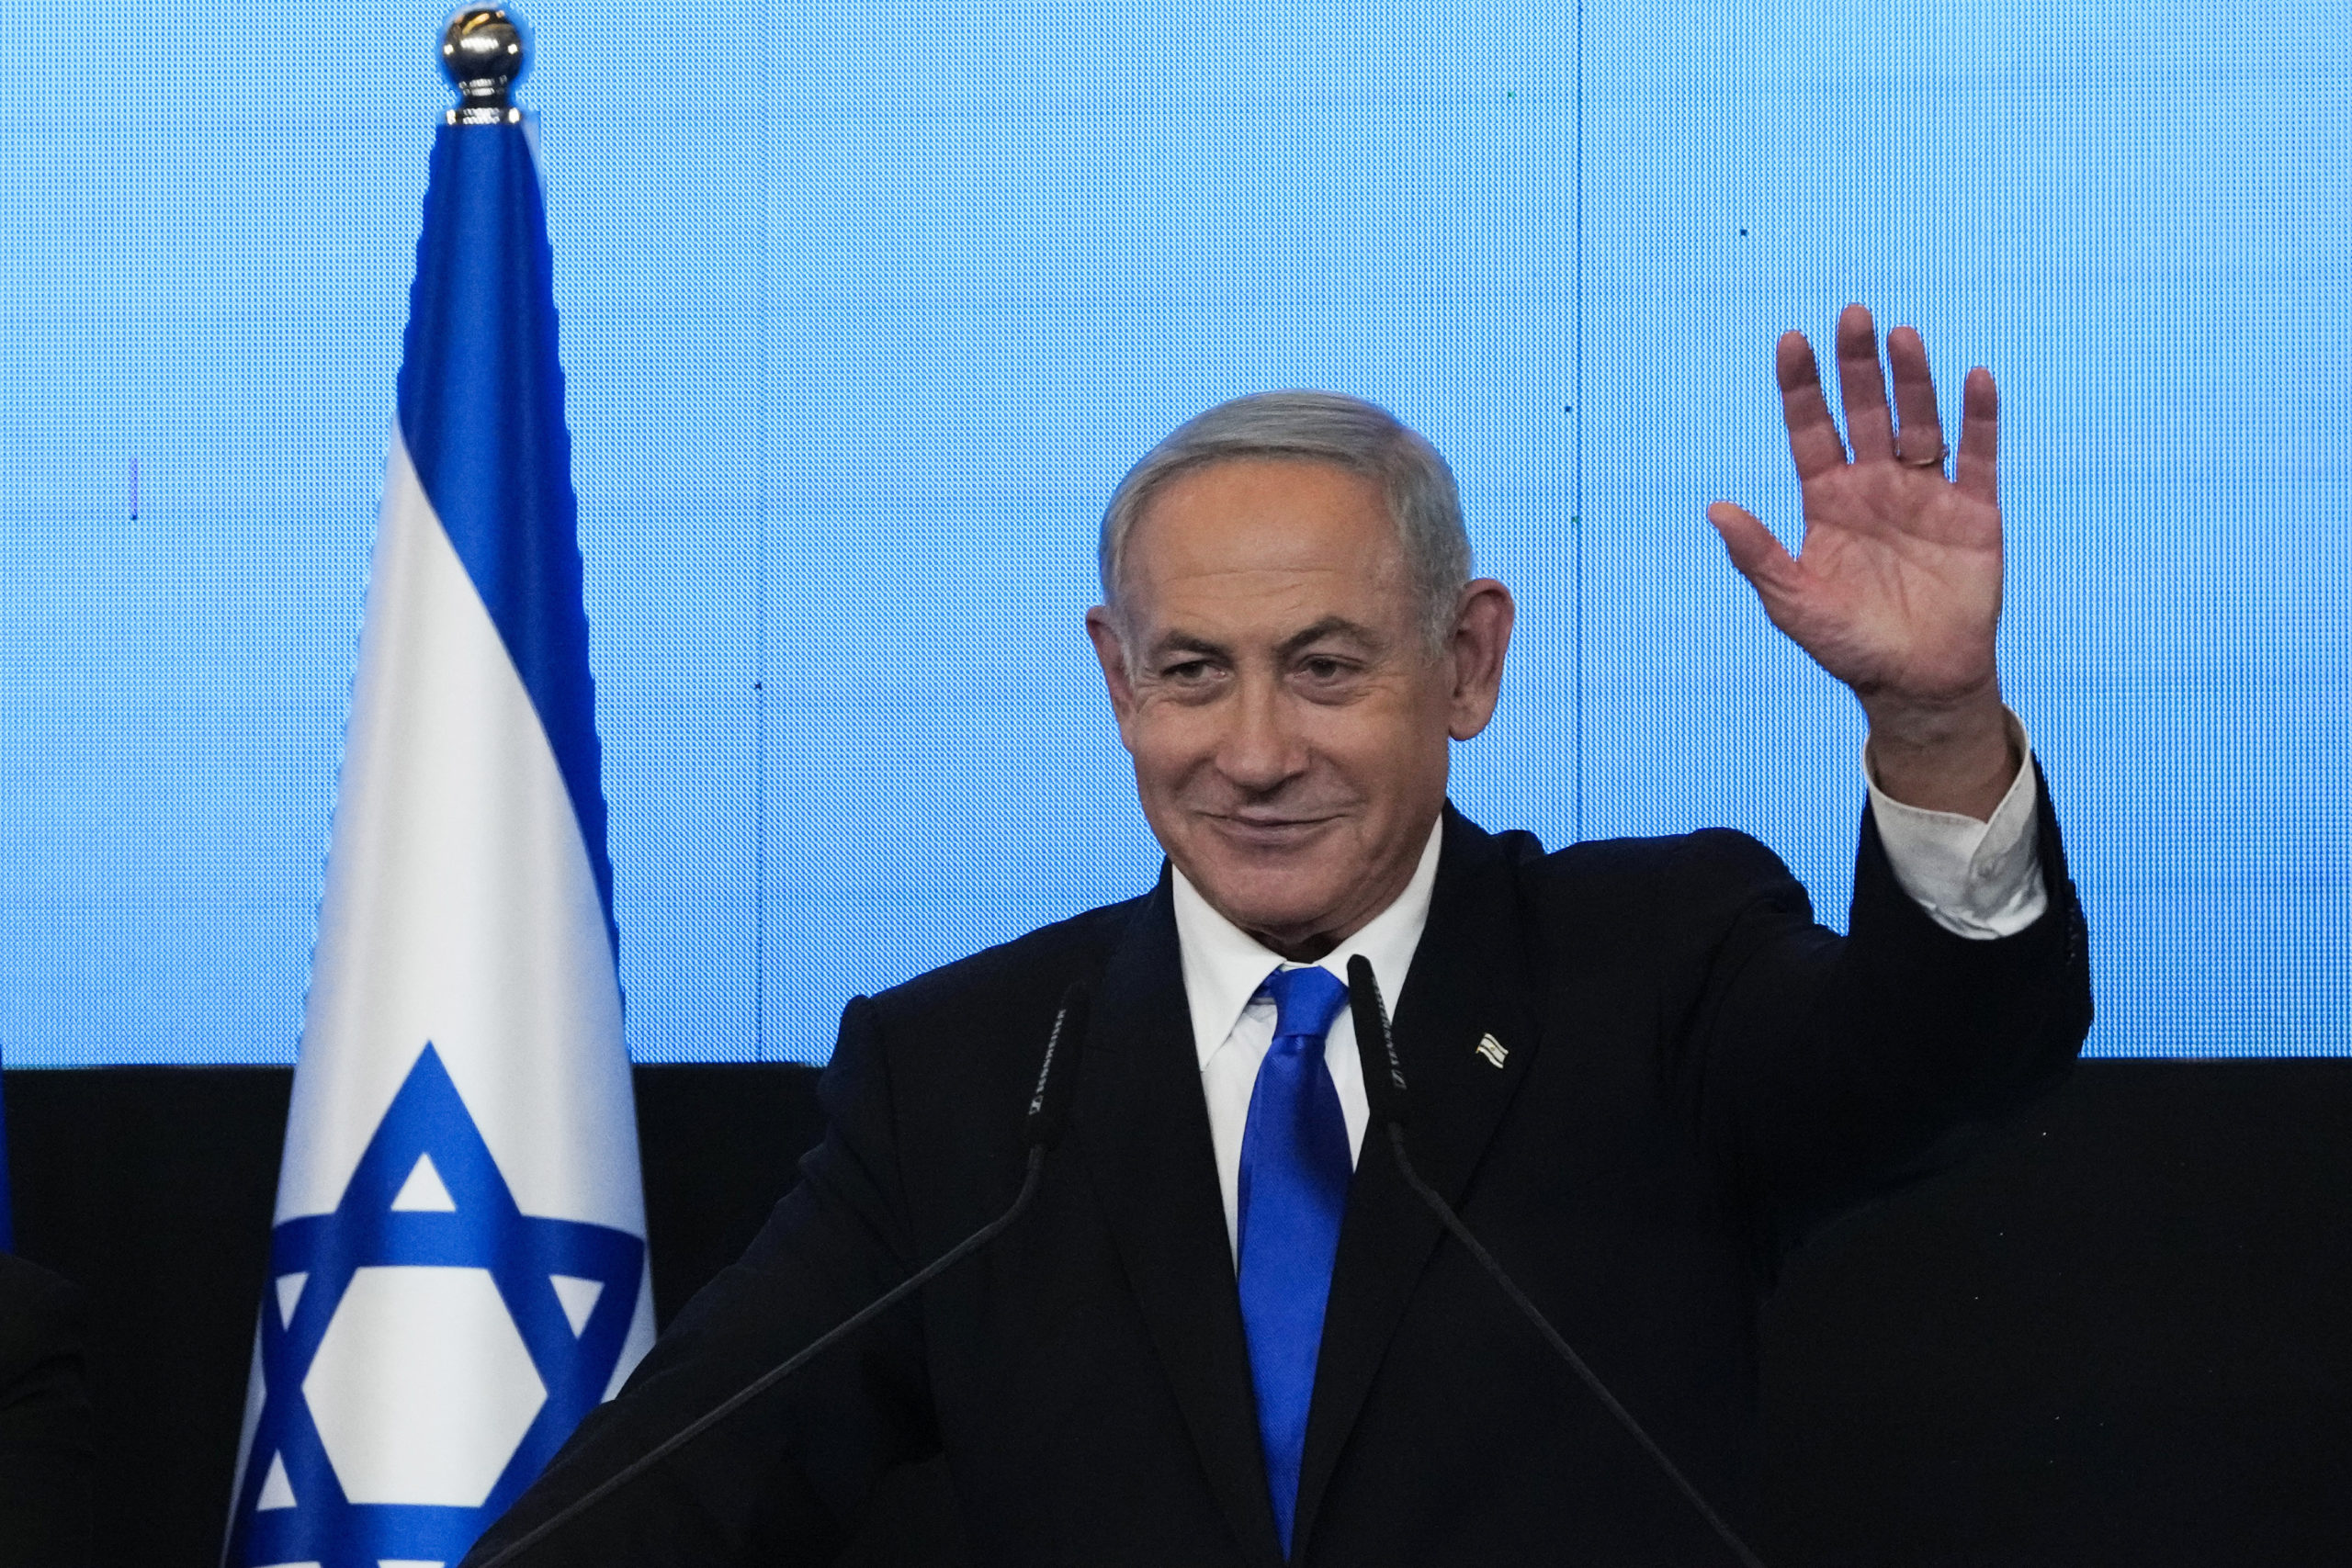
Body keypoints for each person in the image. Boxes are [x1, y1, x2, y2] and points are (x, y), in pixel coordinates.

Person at [466, 307, 2090, 1566]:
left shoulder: (1651, 968)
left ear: (1467, 664)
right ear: (1117, 677)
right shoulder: (965, 1081)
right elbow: (675, 1495)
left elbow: (1942, 1061)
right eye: (1192, 674)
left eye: (1325, 668)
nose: (1251, 754)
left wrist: (1937, 727)